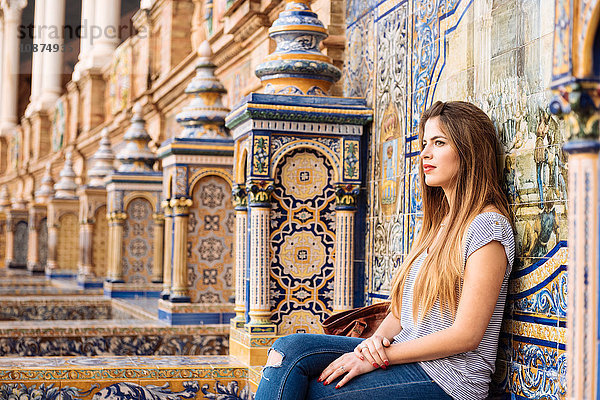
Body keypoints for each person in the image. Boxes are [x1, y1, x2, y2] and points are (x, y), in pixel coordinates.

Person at [254, 101, 515, 400]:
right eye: (425, 143)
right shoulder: (438, 223)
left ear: (469, 151)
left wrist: (374, 359)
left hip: (449, 379)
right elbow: (402, 314)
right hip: (409, 354)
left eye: (439, 143)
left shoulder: (488, 227)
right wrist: (374, 343)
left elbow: (466, 335)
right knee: (288, 351)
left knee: (313, 393)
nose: (425, 154)